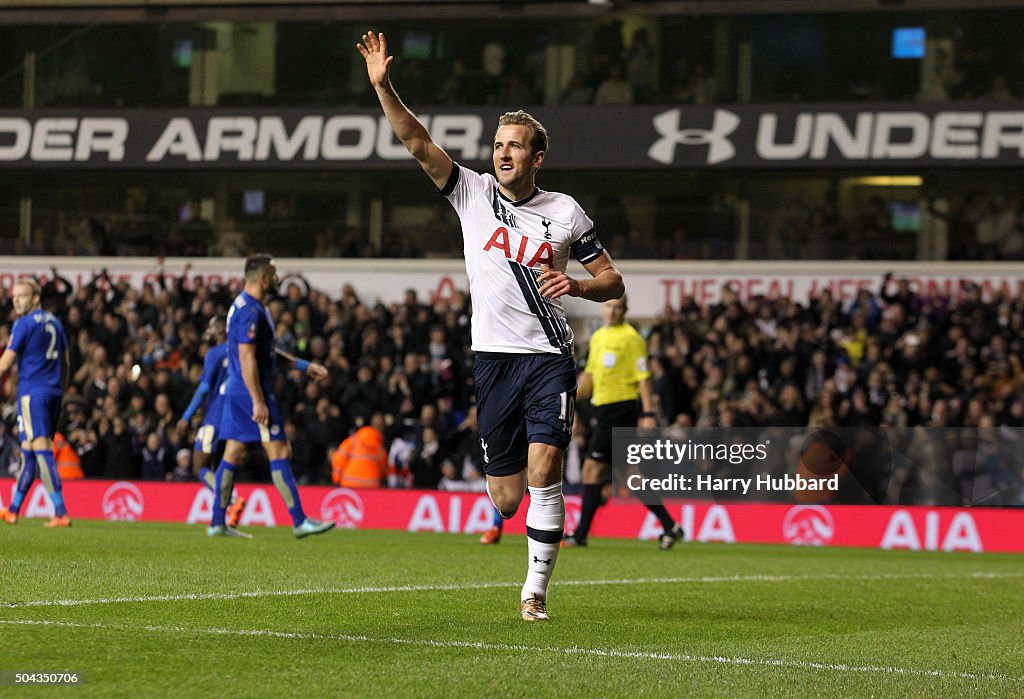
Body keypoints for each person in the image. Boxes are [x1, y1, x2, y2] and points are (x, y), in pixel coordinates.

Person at [358, 31, 625, 621]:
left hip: (549, 357)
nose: (502, 153)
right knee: (507, 499)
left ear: (537, 157)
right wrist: (384, 87)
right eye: (498, 144)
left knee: (546, 467)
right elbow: (416, 140)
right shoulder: (471, 193)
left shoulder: (565, 213)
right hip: (493, 361)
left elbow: (613, 282)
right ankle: (527, 528)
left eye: (515, 146)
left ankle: (535, 591)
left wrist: (578, 285)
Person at [208, 254, 336, 539]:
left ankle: (217, 522)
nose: (278, 279)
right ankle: (300, 521)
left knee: (234, 451)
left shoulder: (248, 306)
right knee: (279, 451)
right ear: (263, 277)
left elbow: (265, 354)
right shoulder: (250, 312)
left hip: (239, 390)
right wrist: (257, 399)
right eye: (275, 274)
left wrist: (303, 366)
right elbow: (246, 356)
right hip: (250, 392)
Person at [562, 295, 684, 550]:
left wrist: (648, 414)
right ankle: (670, 525)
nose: (612, 311)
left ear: (625, 310)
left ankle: (580, 534)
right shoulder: (598, 338)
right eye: (608, 306)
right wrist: (567, 396)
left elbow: (644, 378)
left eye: (617, 307)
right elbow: (591, 377)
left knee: (592, 469)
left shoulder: (631, 338)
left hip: (622, 409)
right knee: (630, 475)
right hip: (602, 409)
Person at [0, 279, 72, 527]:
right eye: (14, 296)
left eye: (22, 295)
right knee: (29, 451)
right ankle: (13, 510)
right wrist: (59, 388)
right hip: (53, 392)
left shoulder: (23, 324)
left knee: (41, 448)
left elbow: (5, 363)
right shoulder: (55, 322)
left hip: (32, 393)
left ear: (35, 299)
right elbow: (66, 362)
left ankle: (61, 512)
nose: (16, 300)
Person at [178, 318, 246, 527]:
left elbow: (204, 389)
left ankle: (233, 500)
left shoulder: (215, 353)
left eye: (213, 326)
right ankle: (221, 518)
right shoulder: (244, 352)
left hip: (215, 417)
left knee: (200, 465)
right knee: (222, 467)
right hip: (238, 417)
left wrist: (186, 416)